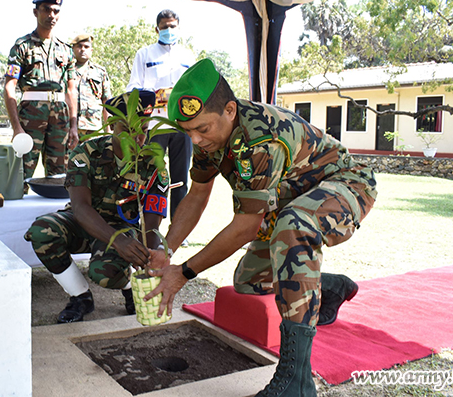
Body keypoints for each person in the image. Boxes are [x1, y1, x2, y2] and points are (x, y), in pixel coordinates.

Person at [146, 58, 377, 396]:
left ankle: (296, 380)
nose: (195, 139)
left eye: (202, 129)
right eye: (188, 131)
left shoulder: (260, 137)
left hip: (347, 185)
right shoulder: (211, 137)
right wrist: (167, 249)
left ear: (229, 110)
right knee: (249, 280)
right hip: (290, 200)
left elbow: (245, 227)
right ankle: (328, 288)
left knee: (293, 225)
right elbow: (196, 195)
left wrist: (185, 272)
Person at [24, 90, 170, 323]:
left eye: (143, 130)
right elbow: (80, 208)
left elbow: (152, 221)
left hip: (123, 227)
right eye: (128, 130)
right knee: (42, 230)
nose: (137, 138)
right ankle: (80, 297)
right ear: (112, 126)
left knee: (106, 273)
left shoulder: (154, 163)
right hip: (84, 222)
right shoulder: (87, 153)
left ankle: (130, 287)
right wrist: (118, 242)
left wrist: (148, 258)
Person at [126, 9, 195, 221]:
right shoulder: (145, 54)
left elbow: (194, 88)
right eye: (164, 27)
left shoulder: (188, 56)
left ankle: (178, 227)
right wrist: (153, 96)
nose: (169, 30)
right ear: (157, 29)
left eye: (172, 26)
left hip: (182, 125)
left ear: (179, 28)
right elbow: (133, 87)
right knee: (151, 177)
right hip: (154, 126)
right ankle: (149, 225)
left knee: (180, 180)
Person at [3, 0, 79, 180]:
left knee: (59, 176)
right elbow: (9, 87)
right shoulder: (22, 46)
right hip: (30, 115)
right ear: (35, 12)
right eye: (46, 10)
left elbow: (71, 91)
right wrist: (16, 127)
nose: (51, 15)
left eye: (56, 11)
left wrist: (74, 126)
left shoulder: (66, 50)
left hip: (60, 115)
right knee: (21, 172)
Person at [70, 33, 111, 137]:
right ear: (73, 49)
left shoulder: (100, 72)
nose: (83, 49)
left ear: (91, 50)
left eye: (86, 47)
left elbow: (107, 102)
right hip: (69, 127)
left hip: (93, 128)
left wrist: (108, 130)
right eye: (79, 46)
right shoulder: (65, 70)